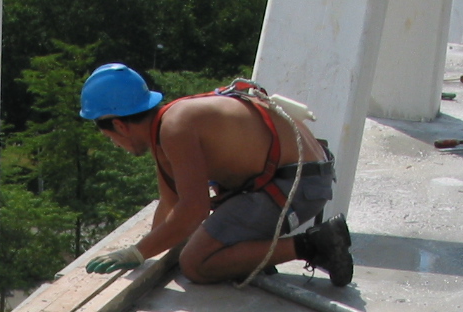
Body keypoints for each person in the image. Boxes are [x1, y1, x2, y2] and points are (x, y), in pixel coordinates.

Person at [77, 63, 355, 287]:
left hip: (299, 182)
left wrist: (136, 253)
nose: (115, 144)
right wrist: (148, 251)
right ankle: (250, 253)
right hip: (299, 174)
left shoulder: (174, 128)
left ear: (119, 125)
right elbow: (170, 203)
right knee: (200, 240)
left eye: (109, 137)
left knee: (196, 263)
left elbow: (192, 211)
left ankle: (315, 244)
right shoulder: (169, 123)